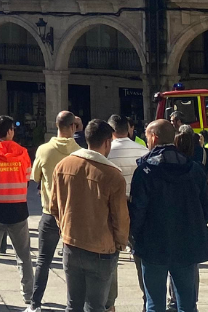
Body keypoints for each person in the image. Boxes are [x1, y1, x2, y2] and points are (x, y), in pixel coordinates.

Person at [130, 120, 208, 312]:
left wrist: (134, 236)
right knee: (187, 302)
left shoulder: (145, 171)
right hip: (187, 242)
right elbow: (207, 210)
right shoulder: (194, 169)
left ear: (154, 137)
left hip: (153, 244)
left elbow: (138, 210)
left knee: (155, 303)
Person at [50, 119, 128, 312]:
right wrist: (120, 242)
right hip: (101, 248)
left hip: (71, 243)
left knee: (73, 304)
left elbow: (54, 206)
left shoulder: (63, 165)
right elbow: (120, 216)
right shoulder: (112, 175)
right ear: (107, 142)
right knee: (96, 306)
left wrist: (65, 228)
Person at [29, 110, 80, 310]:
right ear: (73, 127)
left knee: (43, 260)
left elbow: (35, 177)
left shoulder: (43, 150)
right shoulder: (79, 151)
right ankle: (73, 305)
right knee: (74, 265)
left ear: (56, 125)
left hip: (50, 212)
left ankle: (35, 304)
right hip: (73, 215)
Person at [0, 115, 34, 309]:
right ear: (11, 131)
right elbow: (28, 177)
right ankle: (29, 295)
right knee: (24, 256)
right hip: (18, 209)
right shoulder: (23, 152)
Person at [105, 114, 146, 311]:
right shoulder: (143, 150)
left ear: (111, 131)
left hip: (113, 207)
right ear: (128, 130)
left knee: (111, 254)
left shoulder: (106, 152)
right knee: (140, 254)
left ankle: (110, 303)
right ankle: (148, 298)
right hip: (137, 205)